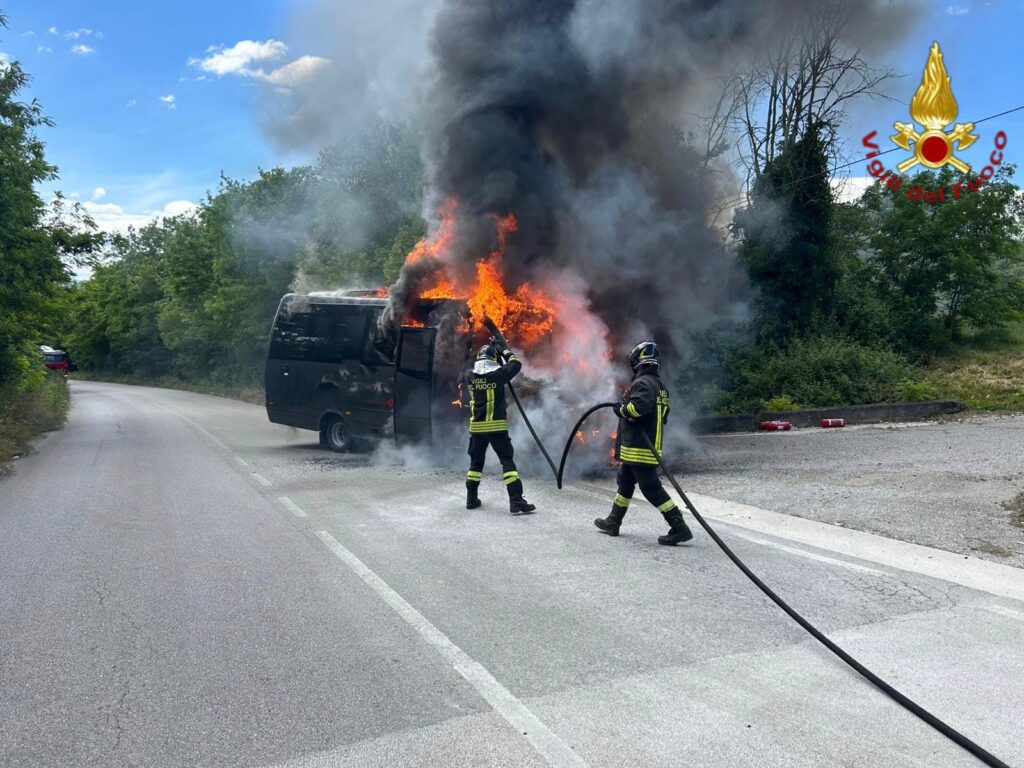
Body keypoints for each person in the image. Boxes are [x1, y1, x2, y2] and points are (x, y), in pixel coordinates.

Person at [594, 341, 693, 545]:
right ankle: (613, 521)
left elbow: (638, 409)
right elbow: (664, 414)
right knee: (625, 482)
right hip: (641, 447)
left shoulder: (643, 384)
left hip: (640, 448)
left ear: (637, 362)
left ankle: (679, 527)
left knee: (651, 488)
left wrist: (621, 409)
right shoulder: (659, 386)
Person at [465, 339, 537, 515]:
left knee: (476, 464)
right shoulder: (497, 375)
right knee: (507, 462)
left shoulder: (470, 377)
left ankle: (471, 499)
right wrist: (504, 350)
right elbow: (516, 364)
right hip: (496, 428)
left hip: (477, 429)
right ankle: (516, 501)